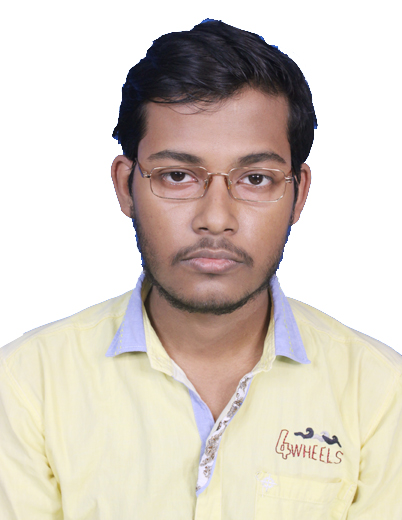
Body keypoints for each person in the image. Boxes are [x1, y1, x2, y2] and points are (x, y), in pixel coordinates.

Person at [0, 19, 401, 519]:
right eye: (177, 176)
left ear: (299, 194)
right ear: (126, 187)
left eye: (256, 178)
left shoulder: (380, 392)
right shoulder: (26, 385)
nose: (215, 218)